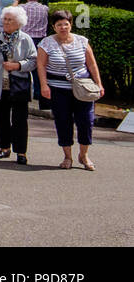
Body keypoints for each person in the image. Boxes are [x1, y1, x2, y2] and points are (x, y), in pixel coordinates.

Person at [38, 9, 104, 171]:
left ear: (71, 25)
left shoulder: (81, 41)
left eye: (66, 24)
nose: (63, 28)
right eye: (59, 25)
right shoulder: (46, 43)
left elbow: (91, 64)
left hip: (82, 88)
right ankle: (67, 156)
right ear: (53, 27)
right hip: (58, 89)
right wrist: (44, 85)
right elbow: (41, 65)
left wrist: (99, 84)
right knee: (63, 122)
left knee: (86, 121)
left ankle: (84, 155)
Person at [0, 6, 35, 165]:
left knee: (20, 119)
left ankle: (21, 151)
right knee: (0, 118)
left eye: (10, 20)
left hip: (19, 85)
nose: (5, 22)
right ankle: (3, 147)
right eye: (4, 19)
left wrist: (18, 66)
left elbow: (33, 60)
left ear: (18, 23)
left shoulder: (25, 39)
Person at [20, 0, 50, 107]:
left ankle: (24, 91)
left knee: (24, 66)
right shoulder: (44, 8)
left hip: (25, 39)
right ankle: (38, 91)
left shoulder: (22, 8)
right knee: (39, 67)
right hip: (40, 40)